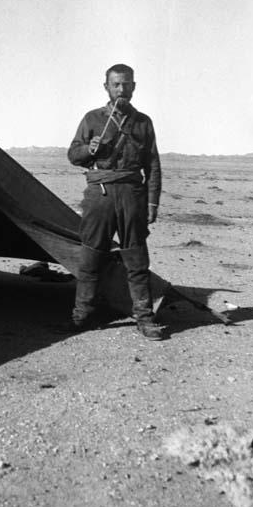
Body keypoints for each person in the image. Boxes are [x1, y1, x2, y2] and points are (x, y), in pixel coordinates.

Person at [67, 63, 163, 340]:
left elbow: (153, 166)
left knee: (136, 259)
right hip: (101, 195)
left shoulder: (143, 122)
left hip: (132, 196)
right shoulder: (92, 119)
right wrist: (89, 149)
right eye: (116, 84)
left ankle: (145, 318)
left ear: (134, 86)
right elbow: (74, 156)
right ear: (106, 87)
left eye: (127, 84)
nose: (122, 89)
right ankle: (82, 315)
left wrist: (152, 204)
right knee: (91, 258)